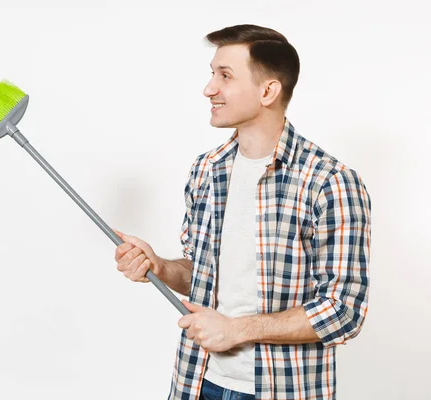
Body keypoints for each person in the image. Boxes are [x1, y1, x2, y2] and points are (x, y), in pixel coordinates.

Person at [113, 24, 371, 400]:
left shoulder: (329, 182)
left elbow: (343, 311)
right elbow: (201, 275)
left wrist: (237, 330)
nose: (209, 89)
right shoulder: (207, 170)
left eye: (225, 76)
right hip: (197, 381)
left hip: (282, 389)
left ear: (268, 90)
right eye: (212, 74)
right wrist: (161, 268)